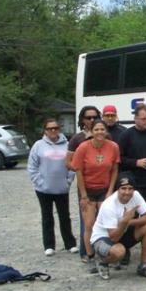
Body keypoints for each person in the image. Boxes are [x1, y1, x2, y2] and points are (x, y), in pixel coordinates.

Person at [89, 174, 146, 280]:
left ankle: (143, 266)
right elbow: (113, 238)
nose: (127, 192)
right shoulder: (109, 205)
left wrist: (128, 221)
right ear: (117, 189)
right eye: (123, 188)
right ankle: (102, 261)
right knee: (119, 252)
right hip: (103, 238)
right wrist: (124, 221)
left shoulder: (136, 195)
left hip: (122, 230)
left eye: (130, 188)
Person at [71, 119, 120, 272]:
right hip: (88, 189)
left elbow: (114, 170)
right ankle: (91, 255)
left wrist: (110, 191)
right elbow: (78, 171)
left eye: (102, 129)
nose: (100, 132)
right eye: (96, 129)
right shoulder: (83, 147)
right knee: (89, 224)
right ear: (92, 132)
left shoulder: (113, 147)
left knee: (108, 224)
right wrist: (84, 196)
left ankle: (107, 254)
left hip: (105, 189)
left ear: (106, 131)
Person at [28, 119, 78, 256]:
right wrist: (40, 182)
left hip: (61, 188)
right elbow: (32, 167)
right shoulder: (38, 146)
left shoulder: (67, 145)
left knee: (65, 216)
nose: (53, 130)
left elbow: (72, 164)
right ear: (45, 130)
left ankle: (70, 244)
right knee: (47, 216)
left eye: (55, 128)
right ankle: (49, 245)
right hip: (44, 189)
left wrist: (68, 180)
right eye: (50, 128)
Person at [66, 105, 100, 259]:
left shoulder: (103, 136)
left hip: (102, 186)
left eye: (94, 117)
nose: (92, 120)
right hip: (85, 186)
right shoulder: (77, 139)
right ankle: (85, 252)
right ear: (82, 120)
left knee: (102, 219)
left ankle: (101, 252)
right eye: (88, 117)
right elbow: (68, 162)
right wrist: (83, 168)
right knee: (87, 222)